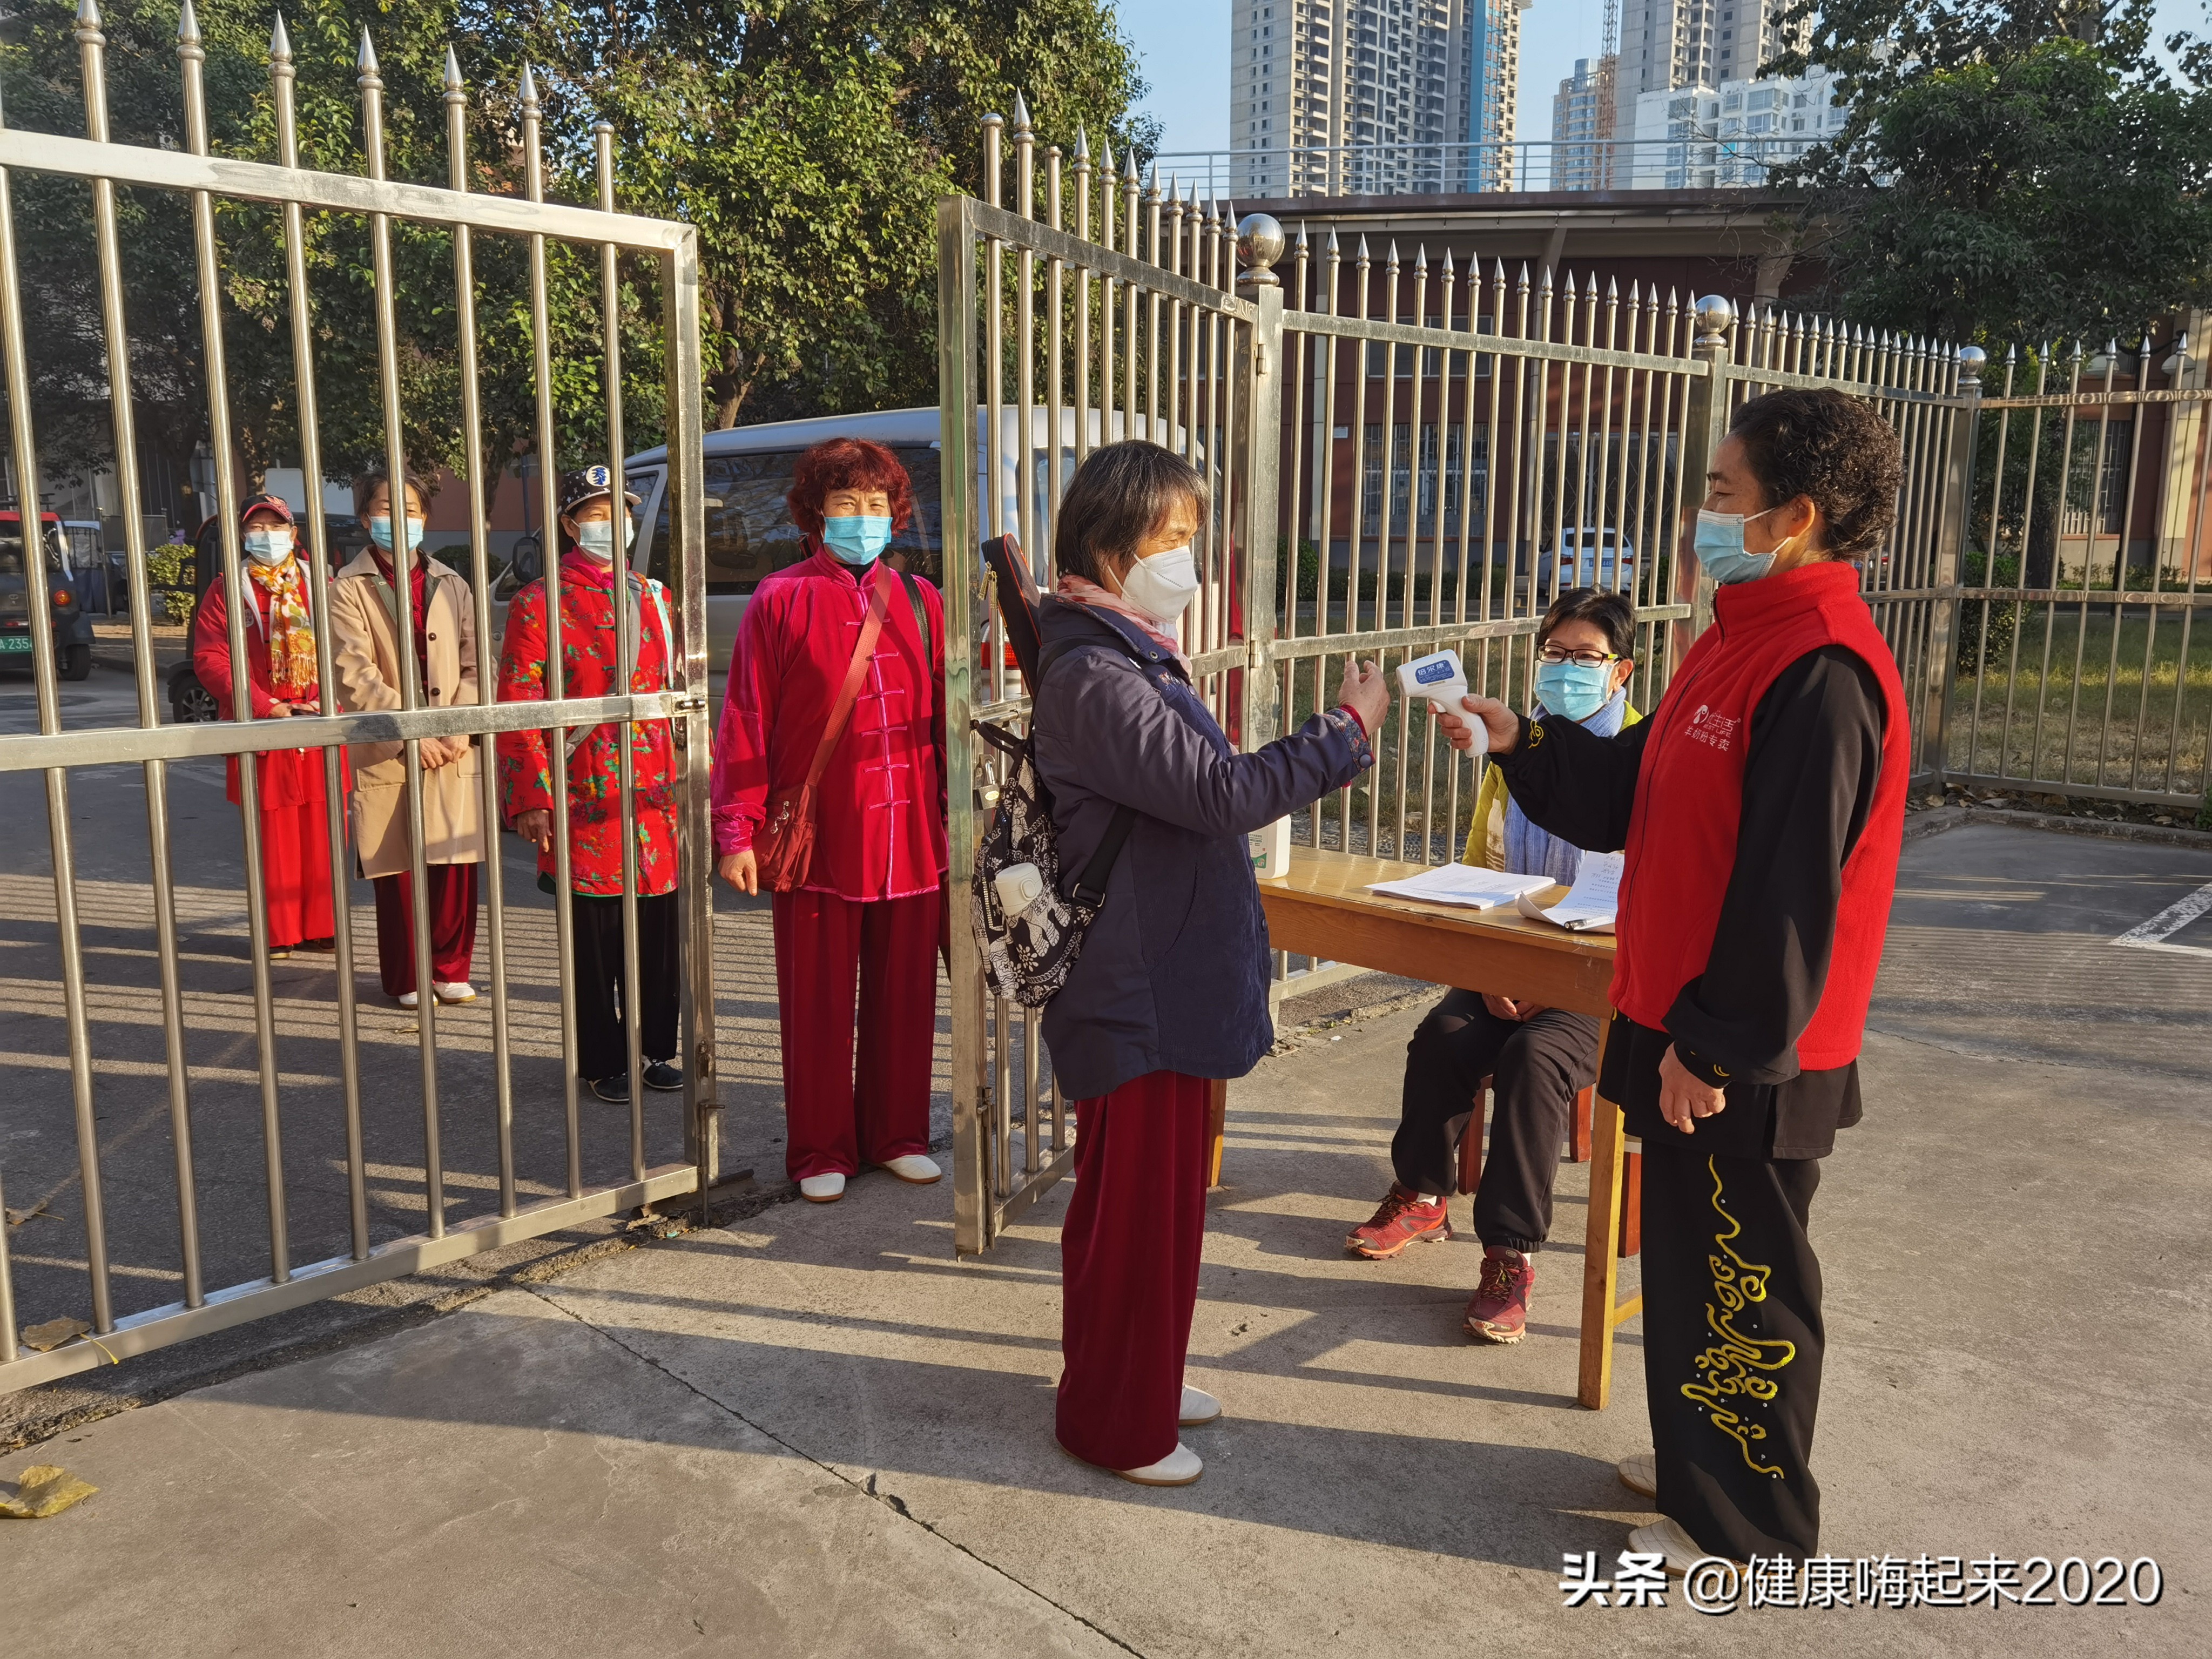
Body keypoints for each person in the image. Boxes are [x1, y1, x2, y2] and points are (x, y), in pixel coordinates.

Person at [1439, 388, 1909, 1570]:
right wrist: (1518, 743)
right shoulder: (1731, 637)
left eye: (1719, 495)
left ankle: (1754, 1514)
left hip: (1744, 1048)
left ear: (1792, 517)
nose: (1698, 515)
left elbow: (1789, 896)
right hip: (1679, 1021)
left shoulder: (1819, 671)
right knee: (1693, 1267)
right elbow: (1630, 795)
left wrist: (1711, 1047)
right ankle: (1699, 1462)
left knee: (1748, 1278)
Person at [1034, 440, 1391, 1489]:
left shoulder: (1120, 647)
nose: (1190, 563)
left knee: (1152, 1211)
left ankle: (1135, 1376)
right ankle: (1115, 1422)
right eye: (1173, 541)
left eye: (1192, 539)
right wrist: (1343, 730)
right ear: (1106, 547)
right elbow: (1221, 793)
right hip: (1138, 989)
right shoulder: (1098, 672)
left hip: (1161, 977)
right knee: (1132, 1220)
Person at [1345, 586, 1643, 1345]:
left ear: (1623, 672)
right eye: (1555, 654)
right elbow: (1485, 868)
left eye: (1586, 658)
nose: (1566, 669)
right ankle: (1421, 1192)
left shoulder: (1639, 758)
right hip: (1509, 962)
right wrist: (1491, 971)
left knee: (1536, 1062)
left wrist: (1562, 980)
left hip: (1598, 984)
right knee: (1442, 1035)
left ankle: (1510, 1254)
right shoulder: (1516, 747)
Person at [710, 438, 947, 1204]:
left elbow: (945, 719)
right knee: (815, 1000)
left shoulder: (922, 600)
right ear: (815, 514)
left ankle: (898, 1134)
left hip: (912, 833)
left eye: (877, 506)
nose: (864, 519)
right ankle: (818, 1149)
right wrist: (735, 832)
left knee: (907, 994)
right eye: (847, 504)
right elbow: (745, 721)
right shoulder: (779, 598)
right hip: (816, 836)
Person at [496, 467, 683, 1104]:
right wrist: (531, 798)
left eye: (619, 512)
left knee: (657, 931)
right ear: (571, 525)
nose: (612, 524)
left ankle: (657, 1048)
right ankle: (604, 1061)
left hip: (653, 792)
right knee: (595, 936)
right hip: (581, 792)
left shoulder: (655, 596)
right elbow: (518, 705)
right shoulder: (538, 602)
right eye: (596, 514)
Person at [328, 469, 486, 1010]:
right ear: (364, 515)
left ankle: (451, 967)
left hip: (451, 745)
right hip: (389, 745)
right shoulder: (346, 588)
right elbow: (354, 672)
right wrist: (409, 735)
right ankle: (408, 974)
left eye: (412, 509)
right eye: (385, 506)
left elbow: (475, 662)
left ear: (426, 518)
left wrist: (456, 728)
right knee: (397, 869)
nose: (400, 518)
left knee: (455, 862)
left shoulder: (453, 583)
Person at [190, 493, 342, 959]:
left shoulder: (323, 584)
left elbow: (346, 644)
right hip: (264, 721)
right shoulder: (228, 589)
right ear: (242, 535)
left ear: (294, 534)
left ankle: (321, 926)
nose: (268, 536)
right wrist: (263, 704)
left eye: (276, 527)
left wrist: (326, 698)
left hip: (319, 719)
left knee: (324, 829)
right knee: (272, 836)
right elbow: (211, 657)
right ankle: (278, 932)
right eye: (258, 528)